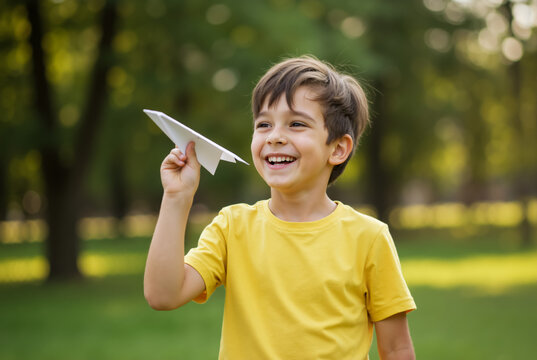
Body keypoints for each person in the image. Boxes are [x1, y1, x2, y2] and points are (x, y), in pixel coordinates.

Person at [144, 55, 416, 360]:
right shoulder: (232, 227)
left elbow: (396, 348)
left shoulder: (369, 237)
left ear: (338, 148)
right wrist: (176, 197)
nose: (274, 137)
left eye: (296, 124)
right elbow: (162, 295)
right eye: (263, 124)